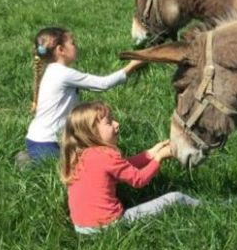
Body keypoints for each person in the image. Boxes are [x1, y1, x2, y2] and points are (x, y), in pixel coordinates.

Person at [60, 101, 202, 234]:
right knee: (175, 198)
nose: (116, 124)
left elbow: (123, 166)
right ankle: (210, 207)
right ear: (92, 133)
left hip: (82, 228)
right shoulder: (106, 155)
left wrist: (150, 153)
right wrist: (159, 157)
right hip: (108, 226)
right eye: (109, 122)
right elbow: (139, 179)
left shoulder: (81, 155)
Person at [20, 27, 144, 163]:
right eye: (72, 43)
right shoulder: (63, 74)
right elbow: (103, 84)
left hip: (38, 138)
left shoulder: (52, 71)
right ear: (60, 50)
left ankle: (30, 158)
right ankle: (26, 162)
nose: (76, 46)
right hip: (48, 143)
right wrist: (133, 65)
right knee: (73, 173)